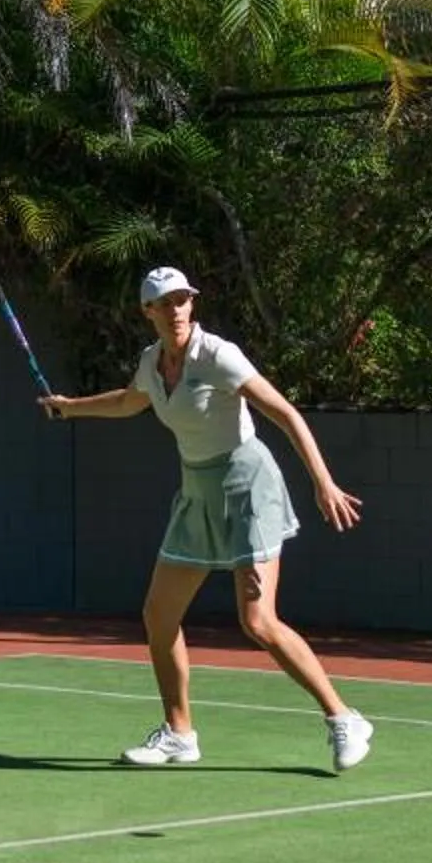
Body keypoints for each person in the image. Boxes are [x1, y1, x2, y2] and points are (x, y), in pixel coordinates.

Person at [42, 266, 372, 772]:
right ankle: (179, 733)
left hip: (247, 485)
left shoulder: (218, 355)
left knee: (258, 621)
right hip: (197, 489)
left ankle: (343, 718)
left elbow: (286, 414)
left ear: (192, 305)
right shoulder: (152, 362)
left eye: (182, 300)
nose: (175, 310)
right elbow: (131, 401)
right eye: (164, 302)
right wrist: (70, 408)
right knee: (158, 615)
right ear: (147, 312)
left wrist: (322, 481)